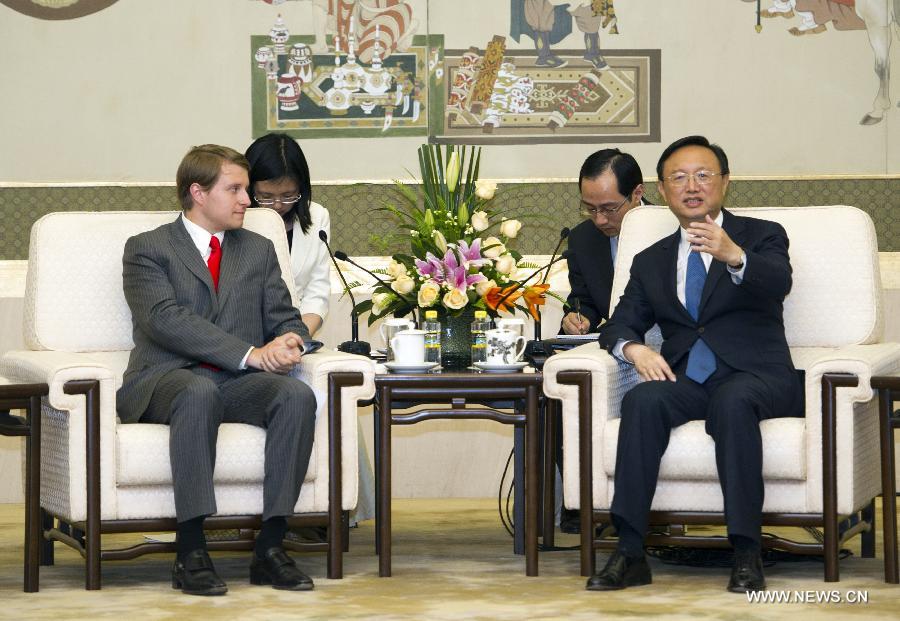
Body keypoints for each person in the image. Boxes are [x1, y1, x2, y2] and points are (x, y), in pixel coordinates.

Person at [589, 136, 803, 593]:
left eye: (703, 175)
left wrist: (734, 256)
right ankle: (629, 551)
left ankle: (747, 552)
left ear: (725, 182)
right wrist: (635, 350)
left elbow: (778, 282)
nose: (692, 186)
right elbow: (619, 324)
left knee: (733, 400)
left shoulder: (762, 235)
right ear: (662, 191)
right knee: (644, 400)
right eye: (678, 178)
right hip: (687, 378)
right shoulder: (651, 261)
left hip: (756, 375)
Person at [117, 144, 320, 595]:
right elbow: (166, 320)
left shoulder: (258, 250)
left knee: (295, 395)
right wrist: (252, 354)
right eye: (235, 189)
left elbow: (285, 317)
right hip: (163, 381)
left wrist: (290, 340)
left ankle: (270, 547)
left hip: (232, 385)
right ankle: (191, 551)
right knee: (196, 390)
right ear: (198, 192)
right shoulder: (148, 249)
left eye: (245, 189)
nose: (247, 200)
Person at [246, 133, 330, 336]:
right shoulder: (235, 218)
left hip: (295, 334)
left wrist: (296, 338)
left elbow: (316, 294)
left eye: (288, 195)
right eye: (265, 196)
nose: (277, 205)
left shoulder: (317, 216)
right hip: (245, 335)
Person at [561, 148, 645, 336]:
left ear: (637, 193)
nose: (599, 220)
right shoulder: (582, 239)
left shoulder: (669, 228)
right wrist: (578, 319)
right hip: (615, 348)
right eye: (590, 208)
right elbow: (584, 301)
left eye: (609, 209)